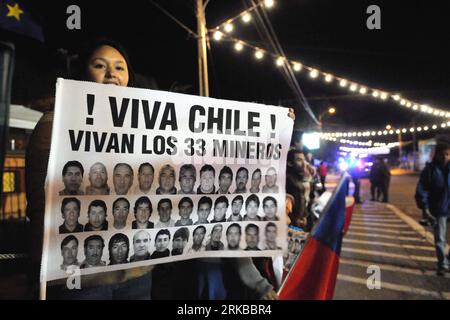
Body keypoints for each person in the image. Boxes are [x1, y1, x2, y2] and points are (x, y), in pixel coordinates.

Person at [26, 39, 152, 299]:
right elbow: (40, 205)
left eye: (120, 67)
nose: (112, 74)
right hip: (82, 279)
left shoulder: (144, 130)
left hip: (136, 274)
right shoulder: (56, 122)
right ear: (83, 73)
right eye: (100, 65)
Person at [415, 142, 450, 276]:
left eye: (448, 154)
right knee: (440, 239)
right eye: (443, 154)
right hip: (439, 209)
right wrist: (424, 207)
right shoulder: (429, 170)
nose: (445, 157)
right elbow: (422, 189)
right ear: (437, 154)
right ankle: (442, 264)